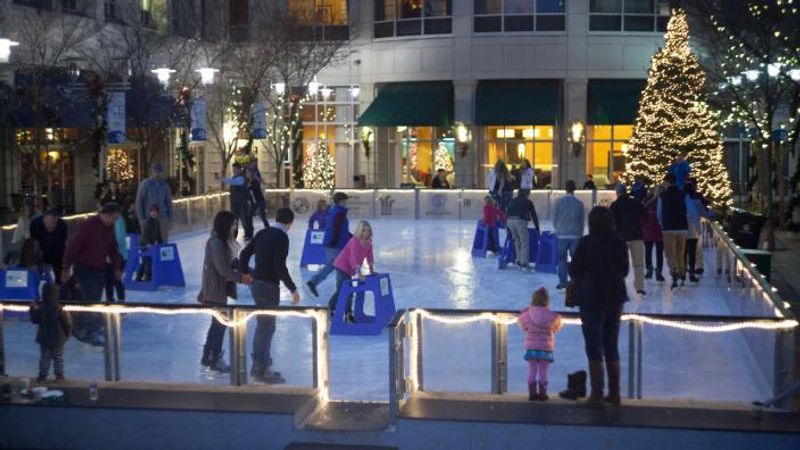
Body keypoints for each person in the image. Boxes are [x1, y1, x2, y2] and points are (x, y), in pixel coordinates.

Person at [569, 206, 629, 406]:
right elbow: (625, 270)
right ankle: (615, 393)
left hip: (591, 298)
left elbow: (574, 269)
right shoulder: (620, 242)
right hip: (615, 297)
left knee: (594, 345)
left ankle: (597, 393)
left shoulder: (586, 243)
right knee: (611, 344)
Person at [239, 208, 300, 384]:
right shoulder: (281, 237)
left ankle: (261, 366)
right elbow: (279, 266)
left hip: (257, 284)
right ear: (289, 223)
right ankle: (260, 369)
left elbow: (244, 254)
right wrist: (293, 289)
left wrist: (245, 274)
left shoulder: (263, 232)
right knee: (266, 328)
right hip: (269, 287)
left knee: (264, 327)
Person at [61, 203, 122, 346]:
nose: (115, 222)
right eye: (114, 218)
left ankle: (89, 328)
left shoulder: (108, 227)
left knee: (93, 300)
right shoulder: (88, 226)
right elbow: (72, 247)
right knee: (86, 300)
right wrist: (65, 267)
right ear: (107, 215)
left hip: (98, 270)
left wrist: (117, 267)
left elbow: (113, 248)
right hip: (84, 270)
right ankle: (82, 330)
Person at [198, 211, 251, 374]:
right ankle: (213, 358)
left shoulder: (222, 241)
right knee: (219, 325)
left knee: (218, 324)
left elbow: (230, 262)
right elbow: (222, 268)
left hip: (219, 289)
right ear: (225, 224)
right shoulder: (216, 242)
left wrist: (247, 270)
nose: (235, 227)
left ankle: (209, 356)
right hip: (214, 289)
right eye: (233, 223)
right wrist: (241, 278)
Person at [517, 286, 563, 401]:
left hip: (532, 348)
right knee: (543, 371)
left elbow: (523, 325)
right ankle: (543, 394)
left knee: (532, 370)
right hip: (546, 348)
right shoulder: (552, 316)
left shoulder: (527, 315)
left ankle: (532, 394)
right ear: (547, 300)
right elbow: (557, 326)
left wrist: (524, 312)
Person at [306, 192, 352, 298]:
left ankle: (314, 282)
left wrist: (352, 238)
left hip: (334, 243)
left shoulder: (335, 211)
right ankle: (340, 295)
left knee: (333, 265)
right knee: (341, 269)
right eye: (345, 201)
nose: (346, 203)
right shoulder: (339, 212)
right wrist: (334, 241)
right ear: (341, 201)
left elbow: (342, 230)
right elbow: (335, 229)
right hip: (335, 245)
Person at [331, 221, 375, 322]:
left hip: (350, 268)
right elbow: (354, 258)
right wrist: (358, 273)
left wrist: (372, 270)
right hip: (342, 265)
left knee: (341, 290)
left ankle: (331, 307)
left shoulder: (368, 243)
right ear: (360, 231)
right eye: (363, 230)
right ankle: (348, 314)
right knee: (347, 290)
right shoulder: (355, 241)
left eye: (368, 231)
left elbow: (370, 256)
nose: (366, 233)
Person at [30, 283, 72, 383]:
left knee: (45, 357)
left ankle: (42, 376)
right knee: (58, 358)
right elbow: (67, 324)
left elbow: (34, 320)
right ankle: (59, 376)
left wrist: (32, 309)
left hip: (44, 338)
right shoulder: (59, 309)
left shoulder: (41, 308)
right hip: (58, 338)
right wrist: (67, 335)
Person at [610, 185, 647, 296]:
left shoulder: (614, 206)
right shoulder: (635, 203)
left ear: (617, 192)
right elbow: (644, 215)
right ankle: (639, 288)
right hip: (637, 236)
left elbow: (612, 223)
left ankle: (619, 287)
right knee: (639, 264)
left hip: (621, 238)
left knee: (619, 264)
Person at [658, 173, 690, 289]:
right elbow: (690, 209)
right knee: (680, 252)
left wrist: (662, 224)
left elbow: (659, 213)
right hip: (682, 228)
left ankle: (674, 271)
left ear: (666, 182)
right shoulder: (683, 195)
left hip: (668, 229)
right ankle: (682, 274)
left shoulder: (662, 196)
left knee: (670, 253)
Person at [552, 180, 585, 290]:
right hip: (575, 235)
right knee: (575, 259)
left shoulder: (559, 202)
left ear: (565, 189)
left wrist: (558, 228)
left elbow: (554, 218)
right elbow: (582, 222)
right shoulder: (579, 204)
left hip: (561, 234)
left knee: (561, 259)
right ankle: (574, 281)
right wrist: (580, 234)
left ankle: (563, 282)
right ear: (574, 189)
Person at [135, 163, 173, 241]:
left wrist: (170, 218)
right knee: (148, 243)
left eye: (159, 172)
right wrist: (141, 219)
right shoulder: (145, 185)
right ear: (152, 172)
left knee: (162, 244)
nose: (157, 174)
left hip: (162, 219)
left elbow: (169, 203)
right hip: (148, 219)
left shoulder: (165, 186)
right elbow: (139, 202)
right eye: (156, 171)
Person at [29, 209, 68, 284]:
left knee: (59, 279)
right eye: (49, 223)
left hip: (57, 253)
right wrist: (32, 262)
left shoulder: (62, 225)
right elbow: (32, 244)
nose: (52, 226)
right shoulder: (35, 224)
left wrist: (64, 267)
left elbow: (61, 246)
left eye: (54, 223)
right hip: (40, 253)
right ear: (44, 220)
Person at [506, 190, 541, 269]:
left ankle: (518, 259)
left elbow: (507, 212)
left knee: (517, 240)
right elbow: (534, 215)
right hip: (520, 221)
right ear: (526, 194)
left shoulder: (512, 201)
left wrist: (508, 228)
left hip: (509, 221)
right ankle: (524, 262)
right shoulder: (528, 202)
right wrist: (537, 229)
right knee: (524, 241)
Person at [684, 183, 710, 283]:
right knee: (693, 251)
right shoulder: (697, 202)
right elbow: (705, 214)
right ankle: (692, 271)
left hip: (682, 229)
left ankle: (683, 271)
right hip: (694, 230)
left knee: (684, 251)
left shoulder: (681, 202)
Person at [5, 196, 41, 266]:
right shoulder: (23, 217)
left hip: (37, 242)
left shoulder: (39, 216)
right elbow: (18, 232)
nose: (27, 209)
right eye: (26, 207)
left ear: (32, 207)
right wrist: (14, 244)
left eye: (29, 206)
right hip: (27, 242)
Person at [223, 164, 254, 241]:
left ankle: (248, 234)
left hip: (242, 203)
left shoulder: (242, 178)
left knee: (244, 220)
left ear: (239, 169)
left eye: (235, 169)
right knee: (234, 220)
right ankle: (234, 235)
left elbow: (234, 182)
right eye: (233, 169)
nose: (233, 171)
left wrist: (222, 179)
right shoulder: (235, 178)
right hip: (234, 203)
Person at [135, 205, 164, 282]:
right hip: (144, 244)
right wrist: (147, 243)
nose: (153, 213)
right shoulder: (148, 222)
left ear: (158, 212)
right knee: (148, 261)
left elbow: (158, 235)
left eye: (155, 211)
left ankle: (138, 277)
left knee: (145, 261)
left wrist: (162, 244)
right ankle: (148, 278)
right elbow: (145, 234)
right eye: (152, 211)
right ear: (150, 213)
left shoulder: (157, 222)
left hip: (151, 245)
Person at [642, 186, 665, 282]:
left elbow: (642, 215)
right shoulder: (664, 202)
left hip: (648, 230)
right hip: (660, 230)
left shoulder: (648, 202)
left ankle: (649, 267)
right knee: (659, 252)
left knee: (648, 251)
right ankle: (659, 270)